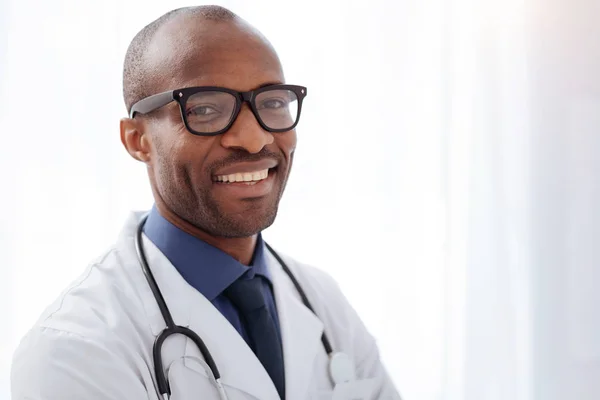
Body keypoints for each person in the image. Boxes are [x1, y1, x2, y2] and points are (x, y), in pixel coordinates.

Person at [11, 5, 401, 400]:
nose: (254, 139)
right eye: (204, 109)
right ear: (137, 139)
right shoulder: (74, 349)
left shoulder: (322, 301)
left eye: (272, 102)